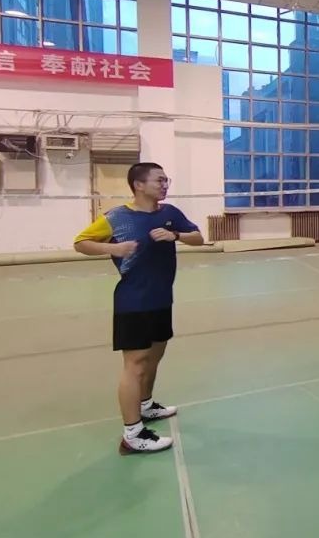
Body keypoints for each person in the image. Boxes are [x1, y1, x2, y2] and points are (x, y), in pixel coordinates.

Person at [73, 162, 204, 455]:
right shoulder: (117, 217)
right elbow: (81, 242)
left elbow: (198, 238)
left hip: (162, 299)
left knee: (155, 356)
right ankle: (132, 435)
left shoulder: (170, 213)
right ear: (139, 185)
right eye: (159, 180)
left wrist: (176, 236)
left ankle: (146, 405)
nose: (165, 185)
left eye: (166, 180)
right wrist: (113, 248)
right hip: (133, 302)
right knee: (135, 364)